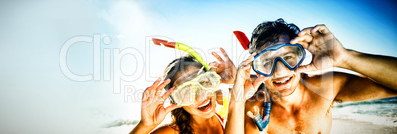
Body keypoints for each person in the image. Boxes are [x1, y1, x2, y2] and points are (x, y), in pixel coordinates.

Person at [223, 18, 397, 134]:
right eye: (267, 62)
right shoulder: (254, 108)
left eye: (288, 57)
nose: (280, 71)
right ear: (255, 67)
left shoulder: (325, 89)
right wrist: (237, 100)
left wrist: (346, 58)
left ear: (301, 56)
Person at [130, 53, 233, 134]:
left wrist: (238, 79)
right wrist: (145, 126)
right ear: (176, 101)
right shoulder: (171, 132)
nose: (200, 96)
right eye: (186, 92)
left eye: (203, 82)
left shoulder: (230, 111)